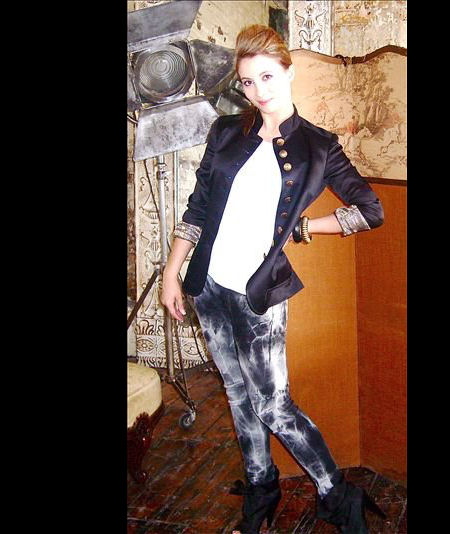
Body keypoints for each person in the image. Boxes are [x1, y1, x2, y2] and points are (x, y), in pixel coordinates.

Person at [161, 25, 385, 534]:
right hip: (208, 286)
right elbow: (198, 209)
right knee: (237, 394)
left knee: (273, 405)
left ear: (288, 71)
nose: (258, 91)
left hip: (257, 296)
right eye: (247, 81)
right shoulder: (226, 132)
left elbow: (371, 211)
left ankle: (336, 492)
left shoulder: (318, 147)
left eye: (267, 76)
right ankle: (261, 487)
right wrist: (173, 272)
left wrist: (305, 227)